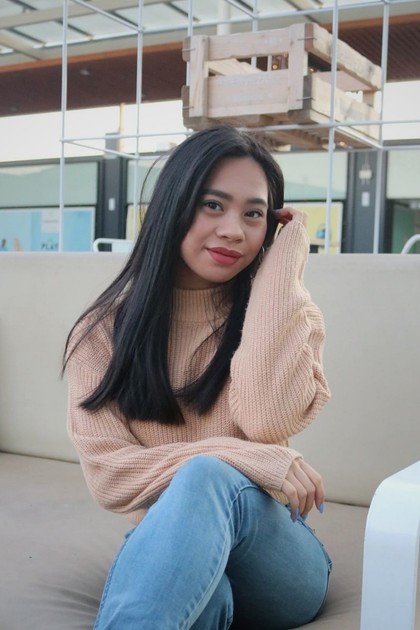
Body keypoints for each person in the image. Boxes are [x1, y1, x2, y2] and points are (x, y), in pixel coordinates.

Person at [64, 125, 332, 630]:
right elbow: (109, 475)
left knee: (207, 476)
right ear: (174, 206)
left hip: (276, 564)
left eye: (254, 214)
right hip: (175, 552)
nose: (234, 230)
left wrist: (282, 271)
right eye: (213, 205)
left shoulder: (290, 319)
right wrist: (238, 455)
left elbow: (267, 420)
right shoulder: (102, 333)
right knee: (202, 600)